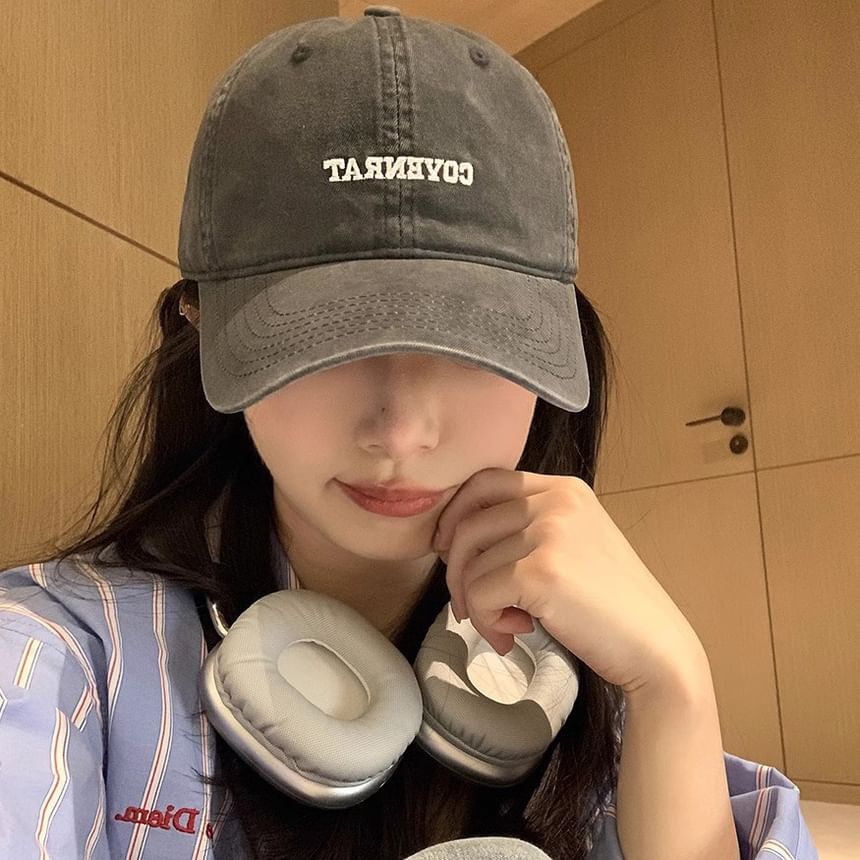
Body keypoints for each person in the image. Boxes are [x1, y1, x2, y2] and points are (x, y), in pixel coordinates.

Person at [0, 6, 819, 860]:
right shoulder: (59, 662)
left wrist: (674, 689)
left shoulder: (597, 708)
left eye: (474, 348)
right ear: (200, 329)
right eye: (321, 341)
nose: (401, 431)